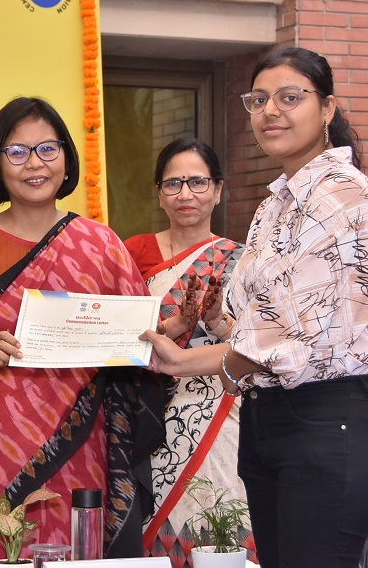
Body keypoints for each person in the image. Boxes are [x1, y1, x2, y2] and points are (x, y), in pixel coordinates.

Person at [142, 47, 368, 568]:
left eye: (290, 97)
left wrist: (183, 361)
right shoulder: (274, 205)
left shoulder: (342, 197)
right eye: (259, 100)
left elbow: (285, 341)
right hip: (269, 419)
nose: (270, 111)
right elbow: (256, 325)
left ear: (327, 108)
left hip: (328, 420)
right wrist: (208, 331)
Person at [0, 96, 169, 568]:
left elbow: (131, 336)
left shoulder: (102, 244)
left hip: (77, 439)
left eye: (47, 149)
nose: (34, 163)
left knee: (71, 549)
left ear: (66, 158)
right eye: (17, 152)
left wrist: (168, 329)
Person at [123, 138, 251, 567]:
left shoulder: (242, 262)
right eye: (173, 183)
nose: (186, 194)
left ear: (217, 189)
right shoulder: (132, 254)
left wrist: (215, 320)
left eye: (198, 182)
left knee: (220, 526)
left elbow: (255, 345)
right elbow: (116, 334)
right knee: (155, 534)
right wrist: (170, 328)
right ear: (159, 193)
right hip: (149, 418)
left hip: (219, 418)